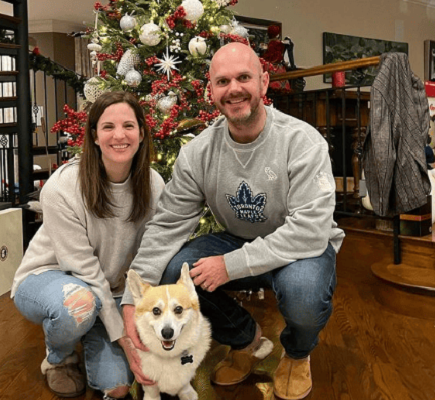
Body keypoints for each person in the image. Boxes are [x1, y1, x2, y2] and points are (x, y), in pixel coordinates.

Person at [121, 42, 345, 400]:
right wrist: (133, 299)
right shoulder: (198, 152)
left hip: (303, 248)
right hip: (238, 238)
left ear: (264, 82)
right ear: (211, 91)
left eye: (244, 77)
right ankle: (246, 339)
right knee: (173, 271)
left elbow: (310, 229)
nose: (234, 89)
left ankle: (297, 353)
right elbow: (167, 224)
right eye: (223, 81)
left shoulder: (302, 142)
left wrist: (231, 264)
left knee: (304, 296)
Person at [11, 91, 165, 398]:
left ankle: (87, 336)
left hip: (110, 292)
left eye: (128, 126)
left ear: (142, 133)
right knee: (78, 306)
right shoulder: (63, 186)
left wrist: (132, 322)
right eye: (108, 127)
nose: (119, 135)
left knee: (118, 388)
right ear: (94, 135)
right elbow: (82, 270)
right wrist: (123, 337)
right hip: (52, 279)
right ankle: (59, 358)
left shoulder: (154, 184)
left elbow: (151, 258)